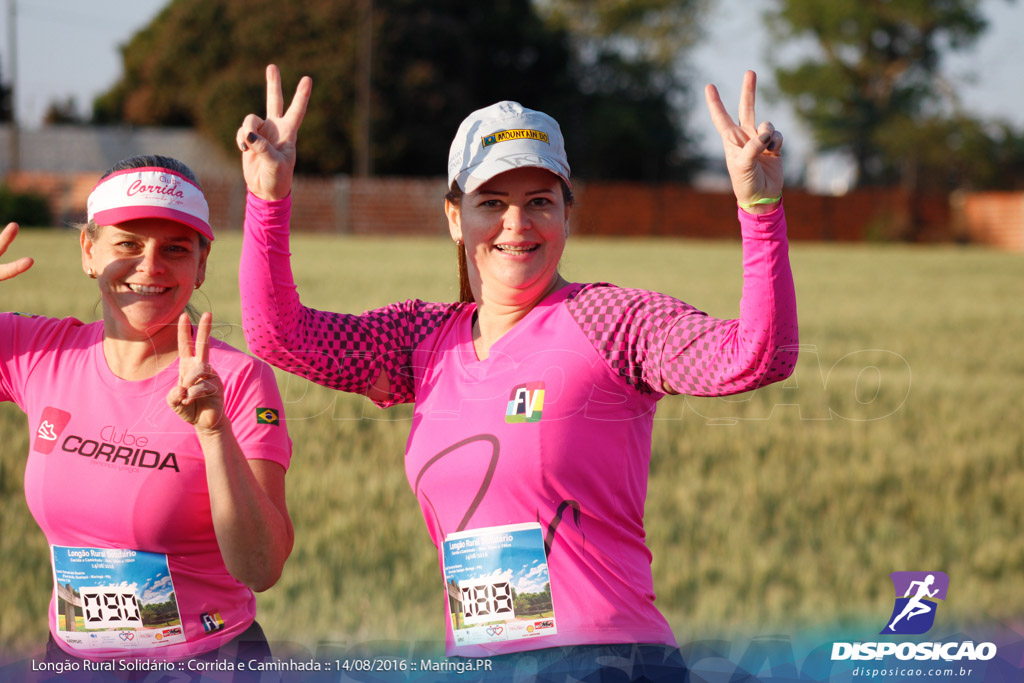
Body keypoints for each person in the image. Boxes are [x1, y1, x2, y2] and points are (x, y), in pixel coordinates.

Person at [236, 65, 796, 680]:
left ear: (566, 212)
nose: (516, 225)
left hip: (607, 662)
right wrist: (268, 197)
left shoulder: (612, 320)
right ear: (455, 217)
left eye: (539, 203)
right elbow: (280, 336)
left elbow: (755, 357)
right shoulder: (421, 339)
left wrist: (759, 209)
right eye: (492, 203)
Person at [0, 155, 293, 674]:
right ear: (89, 251)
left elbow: (261, 567)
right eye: (128, 244)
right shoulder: (39, 351)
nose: (150, 267)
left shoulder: (236, 381)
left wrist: (213, 430)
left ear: (201, 266)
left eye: (175, 250)